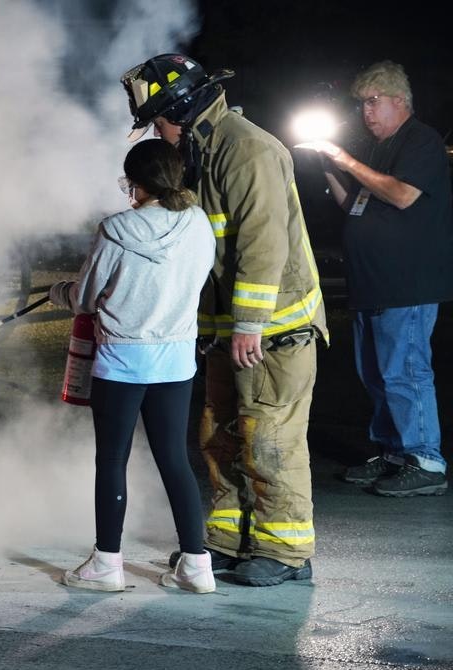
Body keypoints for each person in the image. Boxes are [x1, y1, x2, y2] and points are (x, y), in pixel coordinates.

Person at [120, 54, 328, 586]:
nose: (159, 134)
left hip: (273, 332)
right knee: (220, 437)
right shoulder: (201, 154)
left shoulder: (247, 150)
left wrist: (250, 323)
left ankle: (284, 552)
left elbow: (263, 243)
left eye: (160, 121)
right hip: (225, 333)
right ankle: (227, 541)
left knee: (268, 440)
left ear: (183, 109)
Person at [49, 138, 216, 594]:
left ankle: (107, 563)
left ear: (137, 184)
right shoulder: (198, 223)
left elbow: (85, 297)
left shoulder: (116, 229)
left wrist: (59, 291)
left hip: (121, 361)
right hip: (176, 360)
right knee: (175, 460)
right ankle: (197, 565)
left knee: (113, 460)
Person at [298, 61, 451, 496]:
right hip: (373, 284)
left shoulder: (419, 141)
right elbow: (355, 205)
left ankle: (426, 461)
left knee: (404, 371)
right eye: (362, 104)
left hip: (406, 284)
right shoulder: (377, 149)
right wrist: (327, 165)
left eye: (373, 102)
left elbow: (401, 196)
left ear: (399, 102)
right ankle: (393, 452)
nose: (366, 112)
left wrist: (344, 157)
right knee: (377, 374)